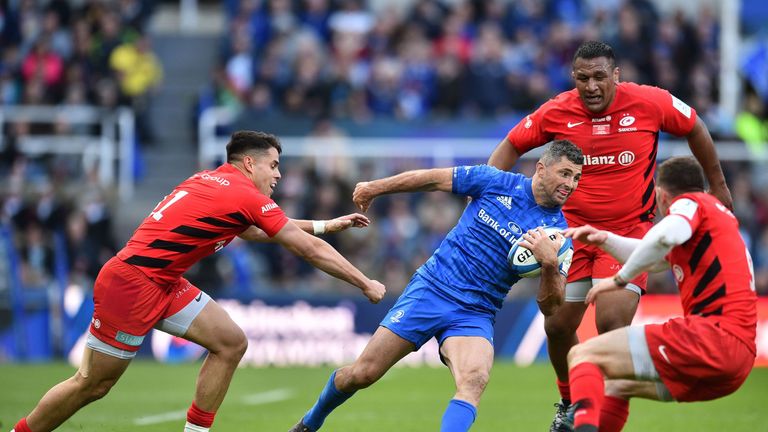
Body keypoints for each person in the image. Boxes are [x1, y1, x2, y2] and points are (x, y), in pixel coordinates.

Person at [10, 130, 386, 432]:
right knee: (93, 384)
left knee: (230, 342)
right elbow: (308, 250)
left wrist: (325, 225)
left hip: (164, 282)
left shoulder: (214, 181)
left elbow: (253, 231)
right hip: (132, 283)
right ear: (250, 163)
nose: (278, 174)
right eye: (273, 165)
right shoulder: (243, 194)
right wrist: (364, 282)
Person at [486, 40, 734, 431]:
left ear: (616, 75)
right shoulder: (556, 110)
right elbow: (510, 147)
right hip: (569, 236)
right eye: (583, 78)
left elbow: (696, 127)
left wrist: (717, 186)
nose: (591, 86)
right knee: (557, 326)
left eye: (600, 76)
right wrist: (493, 203)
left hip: (626, 234)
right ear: (574, 78)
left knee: (611, 325)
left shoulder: (650, 103)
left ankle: (600, 416)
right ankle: (571, 405)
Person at [289, 140, 583, 432]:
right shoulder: (494, 181)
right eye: (565, 173)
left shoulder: (559, 236)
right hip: (431, 290)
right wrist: (375, 187)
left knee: (474, 381)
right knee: (362, 373)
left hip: (476, 311)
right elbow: (432, 179)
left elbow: (551, 306)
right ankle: (309, 423)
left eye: (576, 178)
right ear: (542, 168)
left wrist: (549, 265)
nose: (570, 184)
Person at [563, 156, 757, 431]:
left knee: (583, 355)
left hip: (711, 338)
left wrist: (618, 279)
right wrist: (605, 239)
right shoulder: (713, 220)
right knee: (615, 384)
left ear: (661, 194)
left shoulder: (691, 206)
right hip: (738, 362)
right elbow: (655, 257)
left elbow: (665, 236)